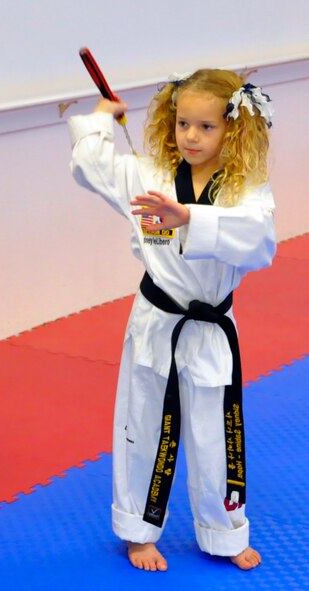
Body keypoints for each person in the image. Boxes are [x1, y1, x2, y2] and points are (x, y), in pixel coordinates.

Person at [68, 69, 276, 572]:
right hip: (157, 321)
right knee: (143, 425)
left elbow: (261, 242)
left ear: (234, 130)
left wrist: (190, 219)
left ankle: (223, 532)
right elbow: (91, 167)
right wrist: (100, 120)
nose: (191, 136)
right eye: (184, 123)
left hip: (209, 328)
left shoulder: (246, 189)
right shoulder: (150, 175)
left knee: (215, 431)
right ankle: (139, 531)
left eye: (206, 127)